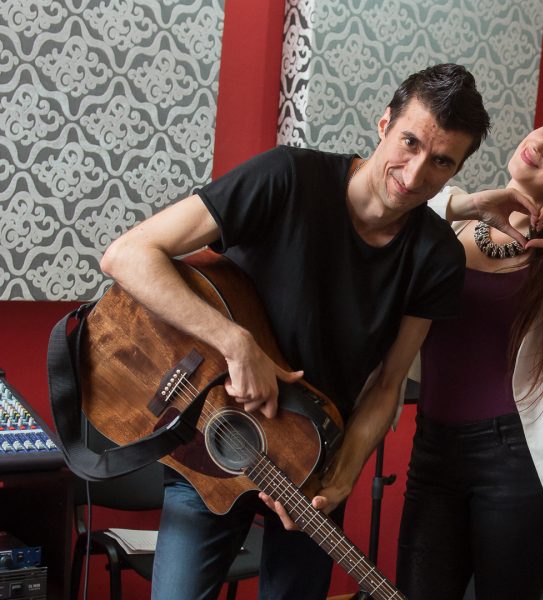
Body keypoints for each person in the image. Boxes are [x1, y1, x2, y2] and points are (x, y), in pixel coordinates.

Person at [99, 64, 495, 600]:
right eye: (410, 142)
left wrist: (344, 475)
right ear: (384, 124)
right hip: (217, 436)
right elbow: (127, 255)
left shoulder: (437, 255)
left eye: (442, 161)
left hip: (315, 460)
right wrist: (236, 343)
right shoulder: (286, 176)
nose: (415, 172)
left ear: (456, 170)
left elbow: (387, 384)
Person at [394, 105, 543, 600]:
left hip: (516, 462)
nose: (540, 144)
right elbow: (395, 204)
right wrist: (469, 203)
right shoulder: (453, 221)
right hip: (434, 448)